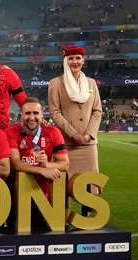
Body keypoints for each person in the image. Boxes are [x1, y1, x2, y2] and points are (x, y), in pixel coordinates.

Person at [47, 46, 102, 216]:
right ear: (65, 61)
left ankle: (89, 220)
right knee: (64, 183)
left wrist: (88, 135)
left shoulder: (91, 83)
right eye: (71, 59)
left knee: (89, 184)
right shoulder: (56, 83)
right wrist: (74, 134)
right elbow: (55, 113)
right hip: (66, 143)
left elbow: (97, 111)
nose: (75, 62)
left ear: (83, 60)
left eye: (78, 58)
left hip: (88, 144)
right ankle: (63, 219)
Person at [6, 97, 69, 228]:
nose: (32, 117)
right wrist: (42, 170)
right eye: (28, 113)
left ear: (42, 114)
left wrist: (48, 165)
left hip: (44, 198)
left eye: (35, 113)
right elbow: (15, 163)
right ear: (21, 114)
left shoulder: (53, 132)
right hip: (17, 197)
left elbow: (65, 164)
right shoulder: (11, 132)